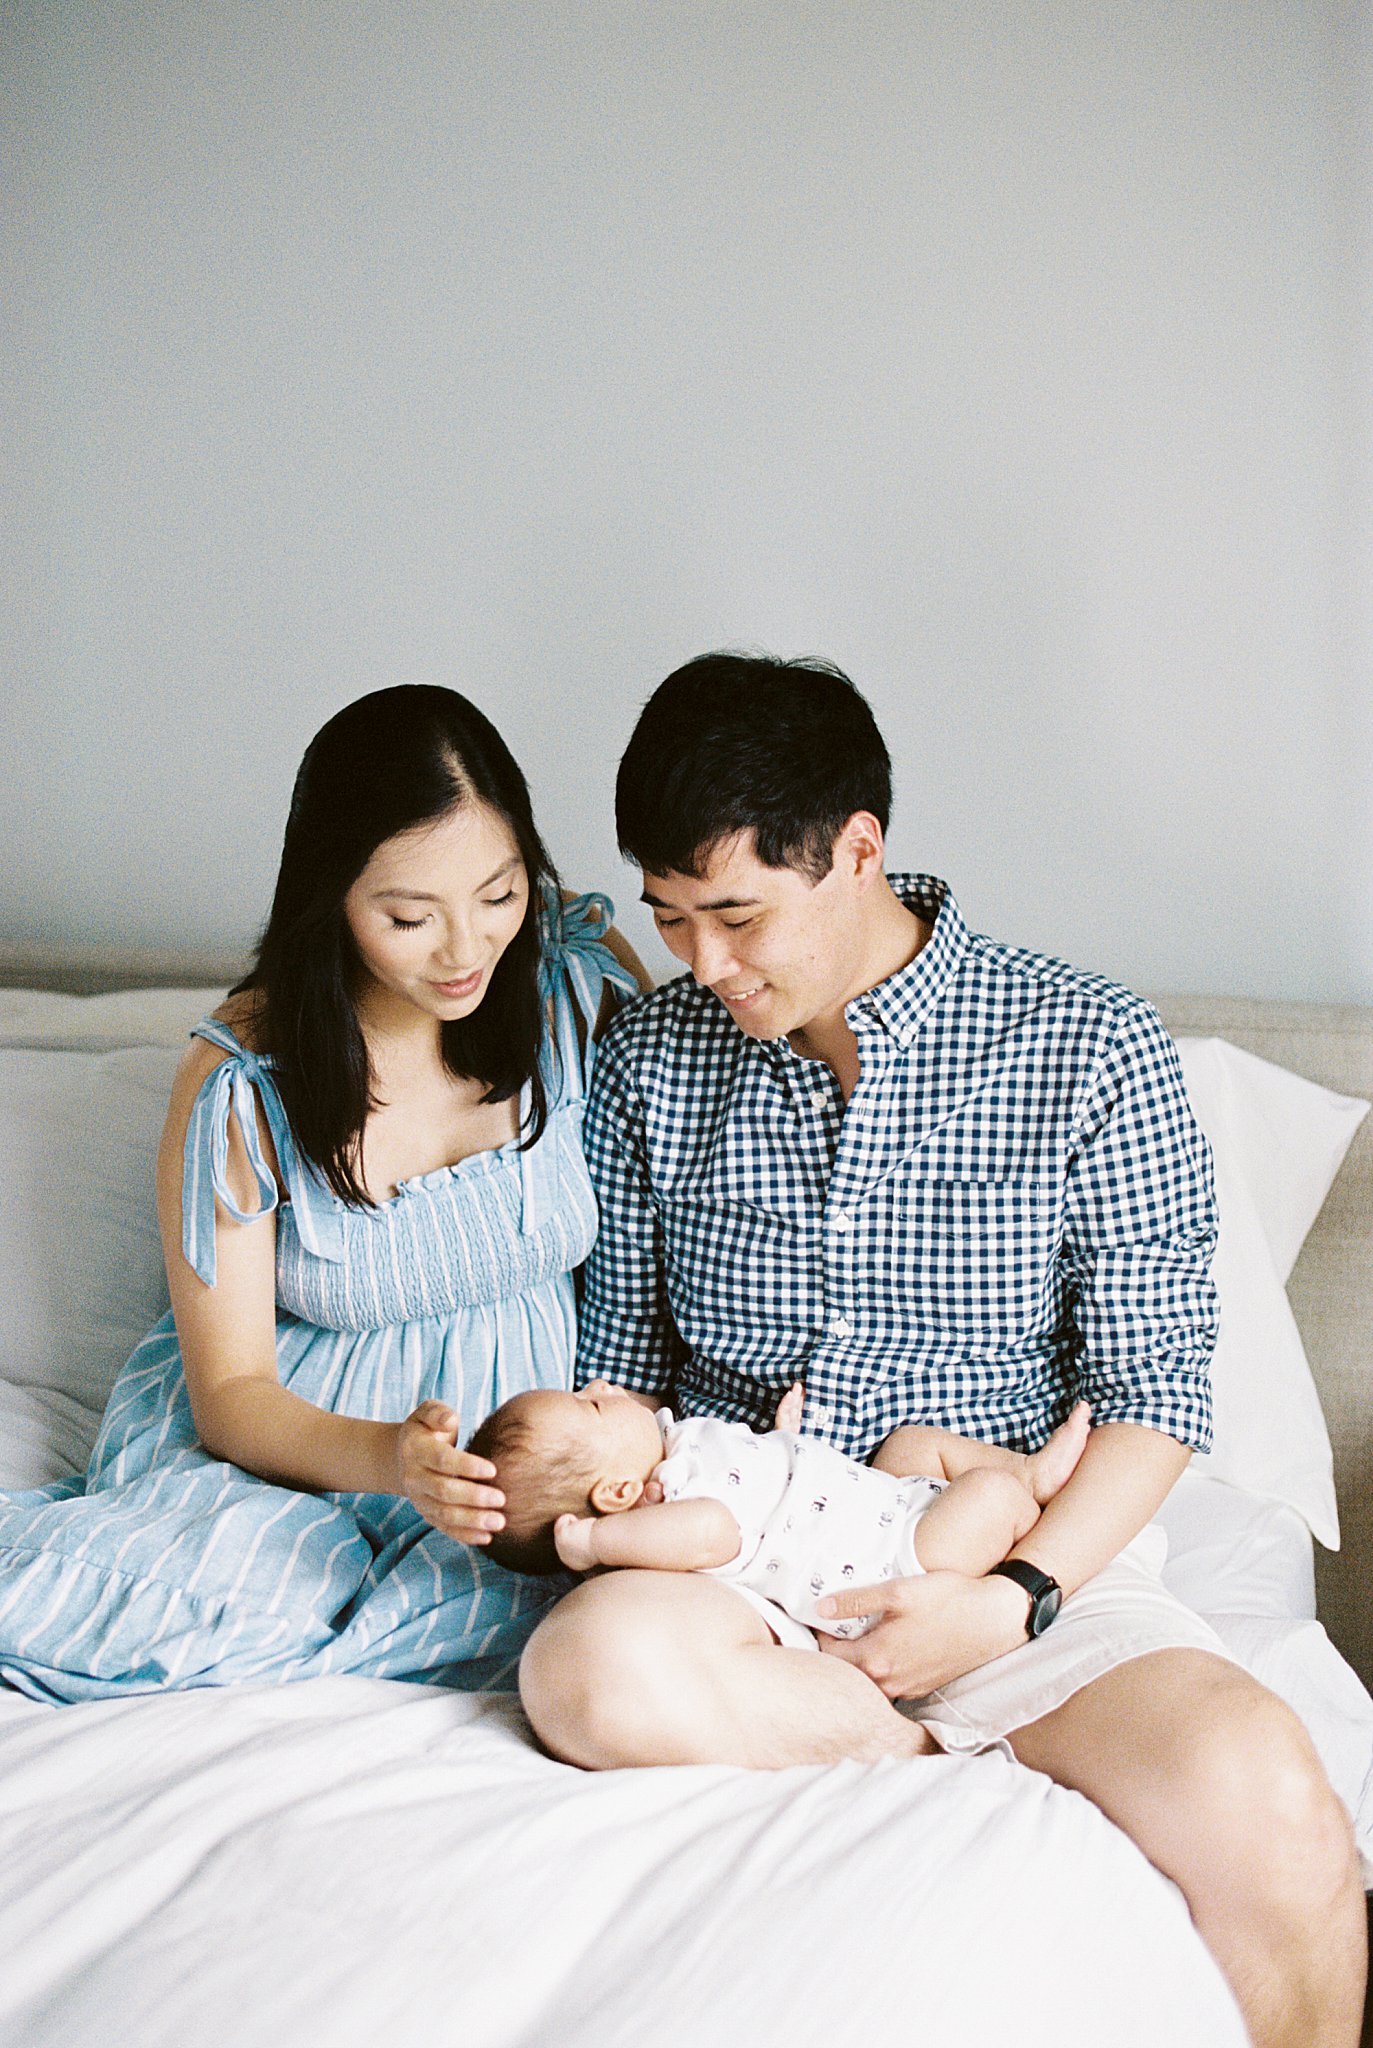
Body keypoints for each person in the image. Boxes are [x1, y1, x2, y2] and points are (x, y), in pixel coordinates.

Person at [516, 652, 1365, 2048]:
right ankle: (935, 1748)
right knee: (584, 1676)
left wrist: (1014, 1600)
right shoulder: (646, 1061)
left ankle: (1000, 1707)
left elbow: (1153, 1397)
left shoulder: (1090, 1044)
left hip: (1007, 1555)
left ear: (860, 854)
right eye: (672, 920)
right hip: (749, 1563)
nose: (704, 966)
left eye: (737, 917)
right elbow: (628, 1375)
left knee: (1271, 1800)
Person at [0, 684, 645, 1700]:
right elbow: (234, 1397)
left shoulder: (576, 981)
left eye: (499, 893)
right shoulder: (246, 1078)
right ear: (332, 896)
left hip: (524, 1471)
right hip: (303, 1457)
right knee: (233, 1600)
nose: (465, 949)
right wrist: (394, 1459)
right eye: (407, 915)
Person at [469, 1378, 1090, 1671]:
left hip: (889, 1499)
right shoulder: (669, 1516)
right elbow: (721, 1531)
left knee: (911, 1444)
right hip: (896, 1563)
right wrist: (592, 1542)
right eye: (595, 1404)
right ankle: (1028, 1485)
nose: (602, 1383)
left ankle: (1022, 1473)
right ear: (615, 1493)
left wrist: (780, 1442)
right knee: (987, 1493)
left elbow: (760, 1494)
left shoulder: (673, 1450)